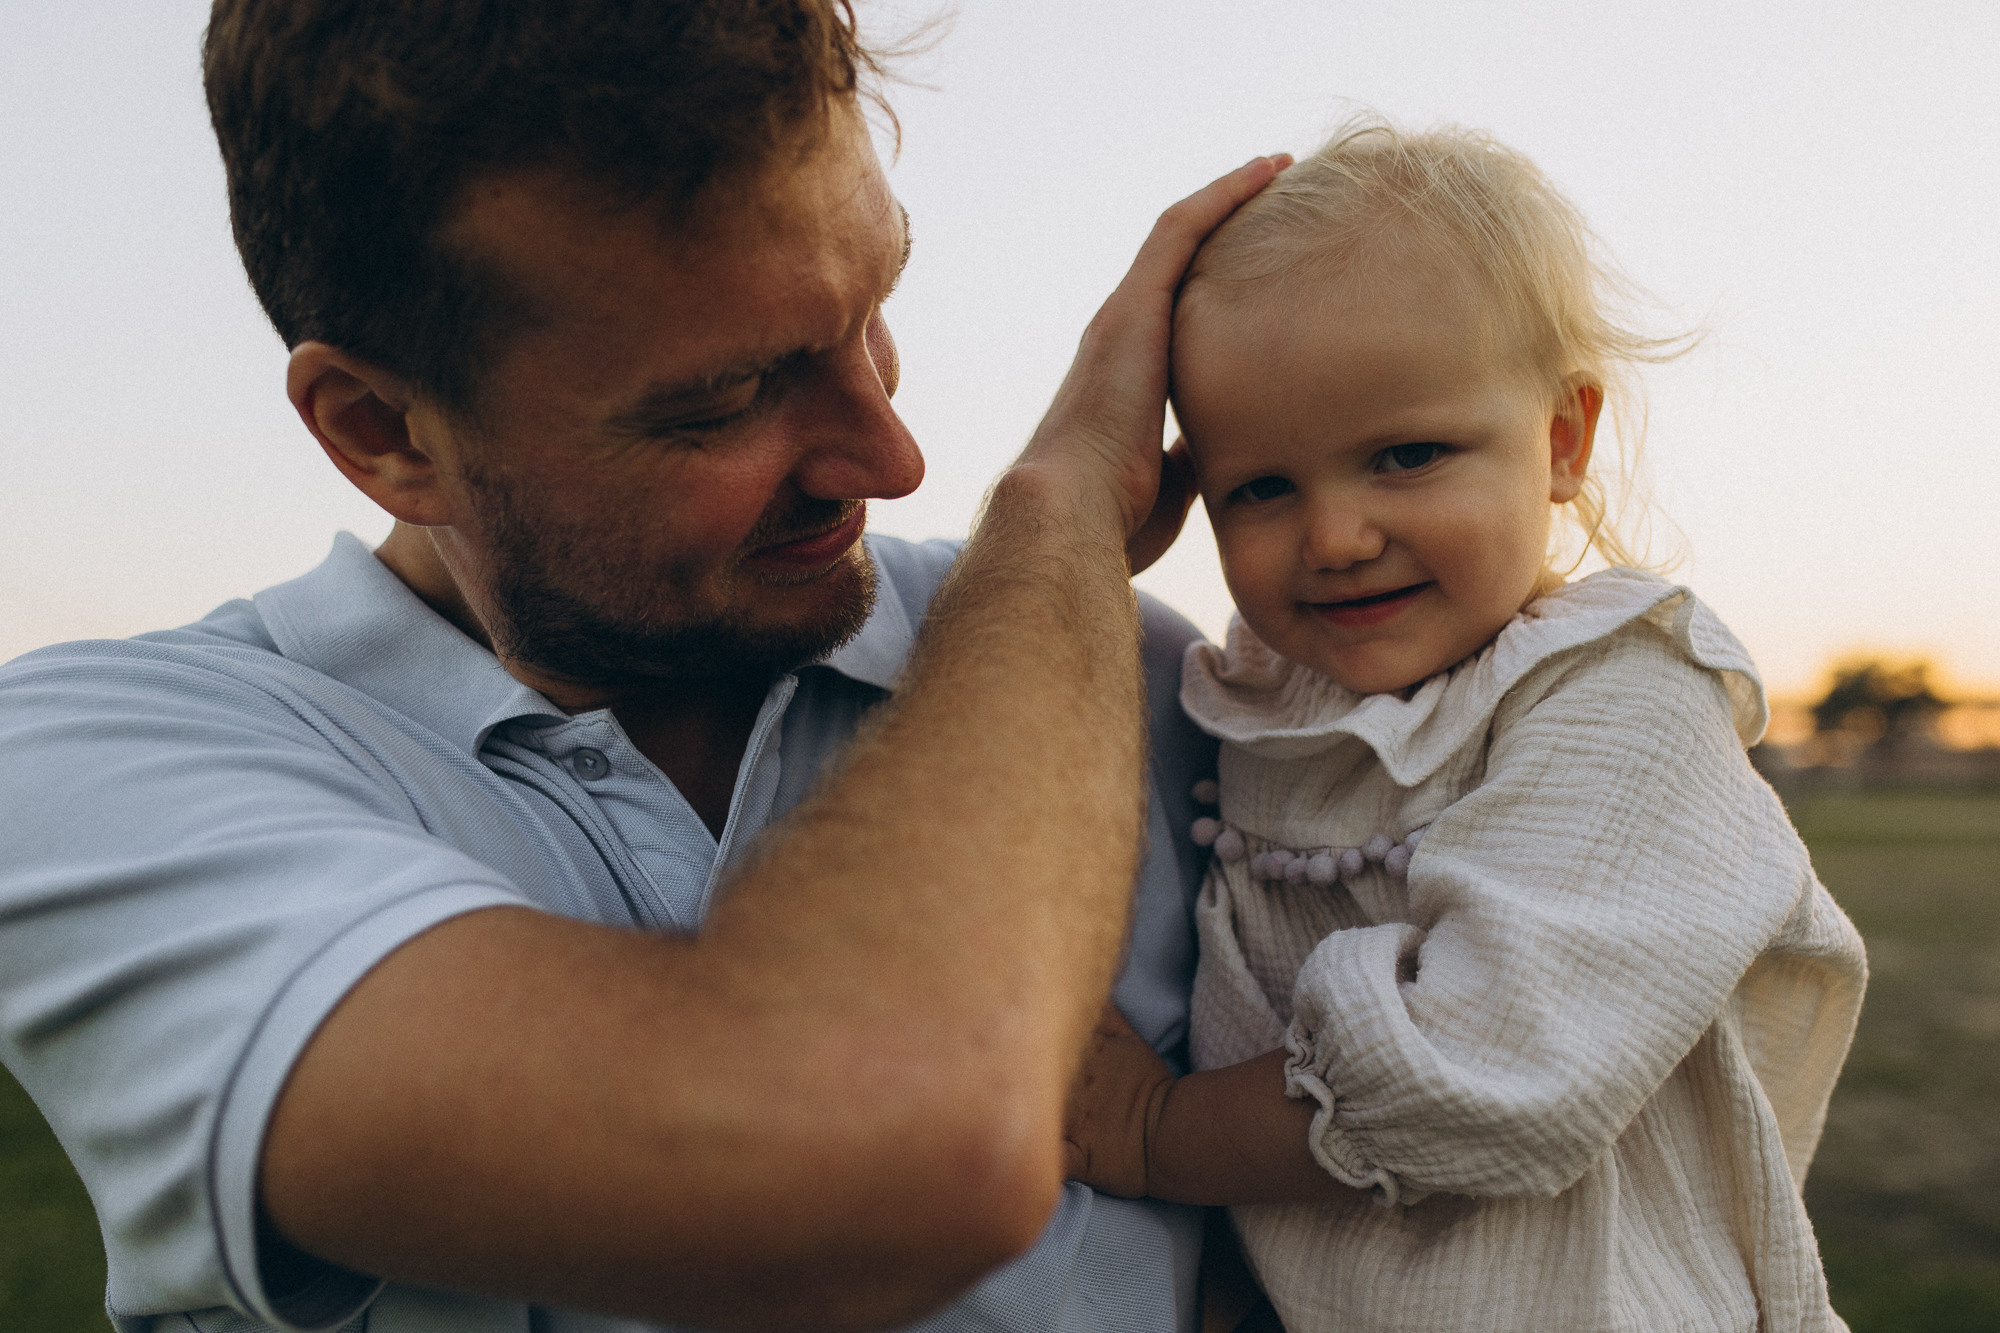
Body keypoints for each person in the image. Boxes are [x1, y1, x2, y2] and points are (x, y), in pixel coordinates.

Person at [0, 2, 1290, 1329]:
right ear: (383, 429)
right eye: (729, 398)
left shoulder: (1138, 678)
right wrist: (1057, 519)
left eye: (874, 309)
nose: (892, 459)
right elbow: (898, 1150)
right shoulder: (93, 765)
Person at [1060, 119, 1869, 1332]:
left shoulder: (1618, 697)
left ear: (1559, 440)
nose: (1332, 535)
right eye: (1261, 487)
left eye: (1405, 454)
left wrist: (1156, 1130)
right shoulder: (1254, 703)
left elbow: (1492, 1068)